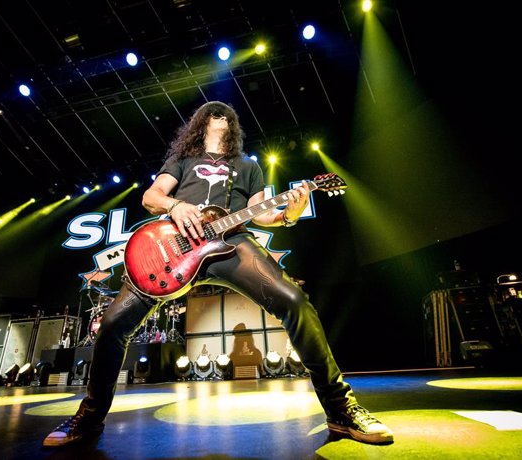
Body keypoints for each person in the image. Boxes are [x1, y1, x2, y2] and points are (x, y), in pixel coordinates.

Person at [43, 101, 394, 447]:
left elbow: (260, 214)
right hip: (175, 251)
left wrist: (290, 213)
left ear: (234, 127)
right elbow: (152, 197)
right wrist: (176, 205)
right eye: (212, 112)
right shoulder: (182, 160)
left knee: (294, 301)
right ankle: (89, 417)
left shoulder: (247, 165)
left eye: (226, 113)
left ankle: (340, 409)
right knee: (113, 324)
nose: (220, 115)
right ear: (199, 123)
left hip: (232, 244)